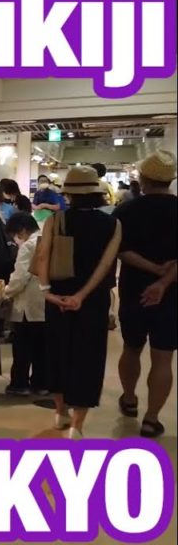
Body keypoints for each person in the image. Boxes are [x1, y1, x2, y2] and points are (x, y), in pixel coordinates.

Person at [34, 166, 121, 439]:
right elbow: (107, 264)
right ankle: (77, 425)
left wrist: (46, 291)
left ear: (68, 194)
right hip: (92, 301)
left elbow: (43, 257)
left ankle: (59, 412)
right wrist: (82, 296)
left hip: (57, 296)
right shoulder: (113, 224)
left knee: (58, 352)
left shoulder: (55, 220)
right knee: (88, 358)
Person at [114, 151, 178, 438]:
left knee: (131, 348)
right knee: (163, 358)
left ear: (143, 178)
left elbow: (120, 250)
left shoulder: (127, 211)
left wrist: (151, 271)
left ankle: (129, 399)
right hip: (172, 294)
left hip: (134, 290)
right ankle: (151, 419)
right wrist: (164, 282)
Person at [2, 212, 47, 396]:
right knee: (42, 348)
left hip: (28, 304)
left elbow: (20, 277)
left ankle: (19, 384)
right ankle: (41, 383)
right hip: (44, 302)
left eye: (15, 234)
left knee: (22, 348)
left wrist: (5, 292)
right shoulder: (46, 238)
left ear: (21, 230)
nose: (16, 239)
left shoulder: (29, 245)